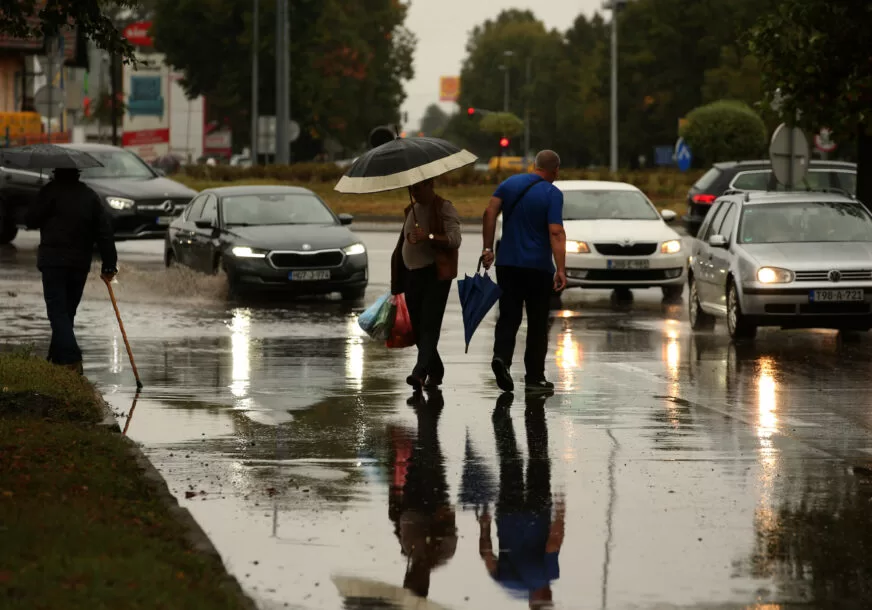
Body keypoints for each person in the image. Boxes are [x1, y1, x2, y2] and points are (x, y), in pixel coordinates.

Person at [481, 150, 567, 393]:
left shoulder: (509, 184)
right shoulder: (552, 193)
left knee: (508, 315)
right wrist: (561, 269)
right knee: (538, 323)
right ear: (555, 170)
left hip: (507, 265)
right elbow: (555, 232)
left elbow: (489, 213)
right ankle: (534, 378)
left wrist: (488, 248)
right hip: (538, 268)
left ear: (535, 165)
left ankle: (501, 358)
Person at [25, 167, 118, 375]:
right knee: (67, 312)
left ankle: (70, 358)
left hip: (53, 262)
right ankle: (57, 359)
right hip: (79, 263)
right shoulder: (89, 196)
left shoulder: (49, 192)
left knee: (58, 312)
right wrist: (109, 264)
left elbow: (30, 220)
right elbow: (104, 231)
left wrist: (40, 199)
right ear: (77, 173)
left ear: (55, 173)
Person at [479, 393, 565, 608]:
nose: (550, 593)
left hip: (538, 512)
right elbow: (487, 554)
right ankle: (501, 419)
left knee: (539, 460)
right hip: (508, 515)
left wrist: (561, 515)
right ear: (530, 602)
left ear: (543, 598)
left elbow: (553, 543)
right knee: (509, 464)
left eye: (549, 598)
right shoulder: (507, 583)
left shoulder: (547, 576)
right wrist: (485, 526)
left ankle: (534, 413)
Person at [391, 178, 462, 391]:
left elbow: (455, 239)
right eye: (411, 188)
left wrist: (429, 236)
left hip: (435, 275)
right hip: (412, 275)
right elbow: (402, 243)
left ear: (430, 185)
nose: (414, 193)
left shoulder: (443, 207)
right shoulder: (410, 210)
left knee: (429, 324)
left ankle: (420, 372)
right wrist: (397, 280)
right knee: (418, 327)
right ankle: (436, 369)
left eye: (418, 188)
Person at [387, 391, 457, 599]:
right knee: (428, 447)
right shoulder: (443, 553)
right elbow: (448, 516)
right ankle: (426, 410)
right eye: (414, 578)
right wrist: (433, 535)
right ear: (425, 581)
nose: (411, 573)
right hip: (433, 496)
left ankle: (430, 409)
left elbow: (398, 520)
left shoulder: (408, 551)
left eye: (408, 577)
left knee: (424, 447)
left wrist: (395, 500)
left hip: (411, 496)